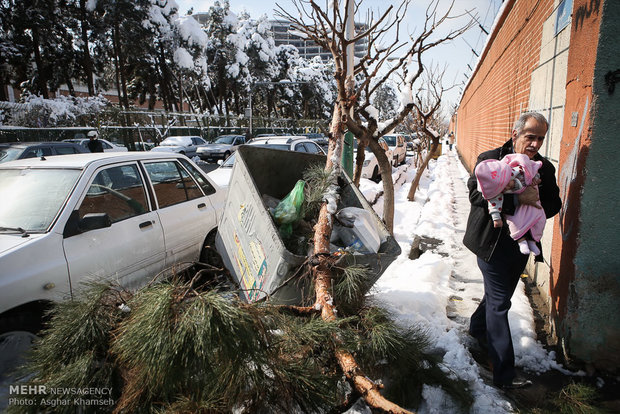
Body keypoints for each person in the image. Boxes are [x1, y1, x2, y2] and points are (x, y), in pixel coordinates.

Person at [463, 111, 561, 389]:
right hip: (490, 243)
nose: (535, 144)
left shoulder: (543, 167)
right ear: (515, 133)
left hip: (521, 245)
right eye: (530, 137)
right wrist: (517, 200)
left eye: (540, 139)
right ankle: (503, 374)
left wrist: (537, 197)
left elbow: (555, 204)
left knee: (500, 294)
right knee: (499, 303)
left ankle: (477, 328)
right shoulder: (490, 160)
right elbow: (475, 195)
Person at [474, 153, 547, 255]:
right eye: (504, 187)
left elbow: (532, 170)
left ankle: (533, 241)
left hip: (533, 205)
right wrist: (497, 219)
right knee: (515, 223)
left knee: (540, 219)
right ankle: (522, 241)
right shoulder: (494, 188)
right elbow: (492, 204)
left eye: (508, 183)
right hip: (493, 244)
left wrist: (535, 178)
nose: (508, 187)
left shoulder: (516, 171)